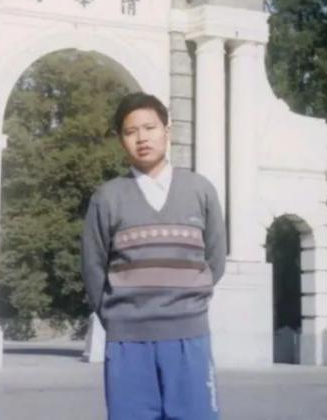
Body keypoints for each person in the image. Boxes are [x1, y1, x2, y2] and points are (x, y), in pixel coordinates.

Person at [81, 92, 226, 420]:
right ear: (121, 140)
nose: (142, 138)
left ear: (167, 131)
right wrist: (119, 318)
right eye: (131, 132)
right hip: (127, 342)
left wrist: (188, 302)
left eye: (150, 128)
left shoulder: (200, 190)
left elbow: (216, 258)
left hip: (189, 336)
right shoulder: (107, 198)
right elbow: (93, 267)